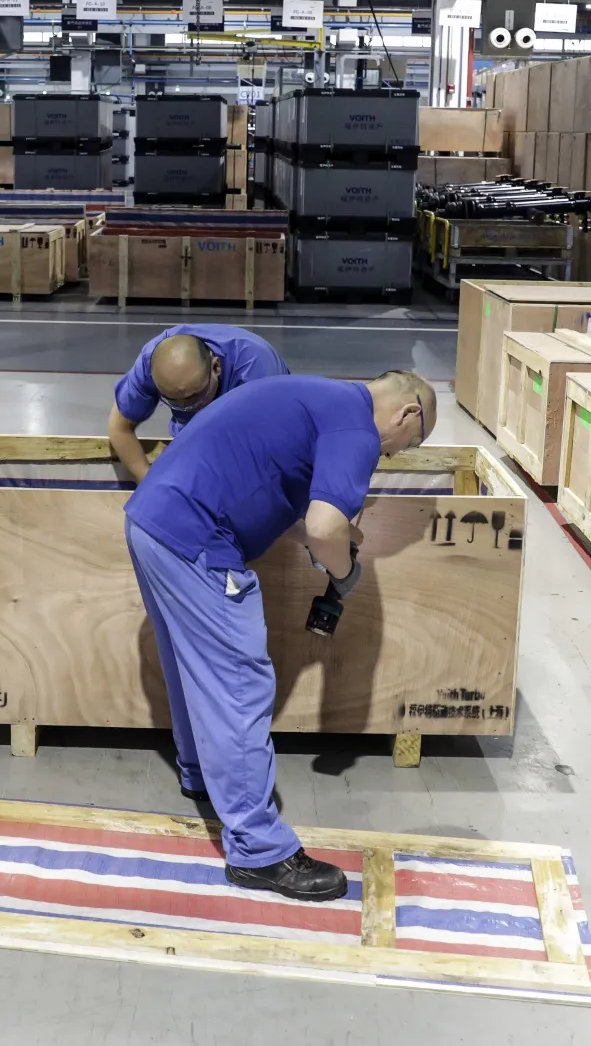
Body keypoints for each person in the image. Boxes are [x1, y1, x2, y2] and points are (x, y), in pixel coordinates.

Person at [122, 370, 437, 901]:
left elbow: (304, 505)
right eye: (412, 444)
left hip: (152, 521)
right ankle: (259, 852)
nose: (397, 455)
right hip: (198, 539)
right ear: (409, 414)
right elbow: (323, 528)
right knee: (238, 685)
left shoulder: (321, 398)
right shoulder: (358, 431)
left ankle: (200, 773)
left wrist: (340, 537)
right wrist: (342, 572)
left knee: (189, 667)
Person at [107, 325, 288, 483]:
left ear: (216, 367)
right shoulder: (150, 363)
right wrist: (145, 480)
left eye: (194, 397)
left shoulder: (257, 372)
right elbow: (119, 428)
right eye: (173, 400)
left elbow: (266, 457)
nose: (186, 407)